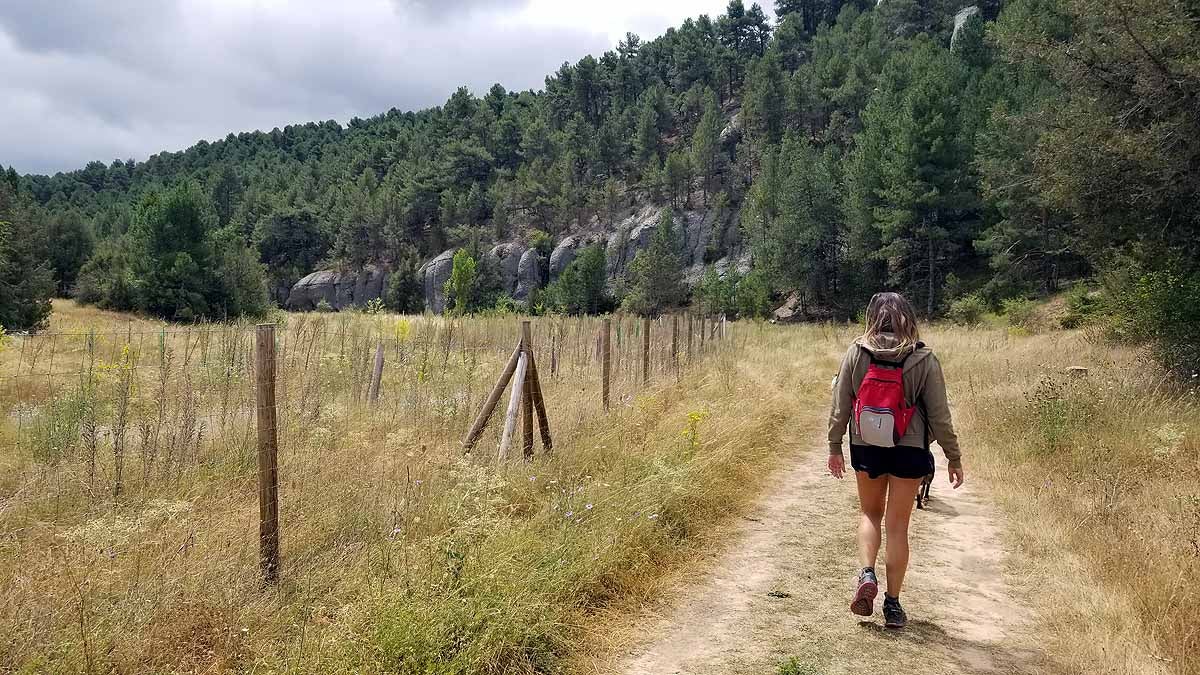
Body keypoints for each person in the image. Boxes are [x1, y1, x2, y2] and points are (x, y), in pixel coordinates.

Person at [827, 292, 964, 629]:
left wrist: (834, 446)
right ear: (908, 317)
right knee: (898, 526)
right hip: (909, 449)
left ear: (872, 316)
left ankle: (867, 573)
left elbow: (840, 403)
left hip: (866, 445)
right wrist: (953, 456)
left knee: (870, 513)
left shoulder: (857, 352)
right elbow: (940, 415)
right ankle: (893, 605)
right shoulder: (924, 358)